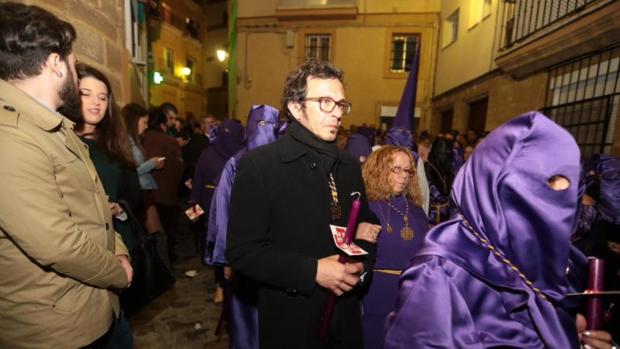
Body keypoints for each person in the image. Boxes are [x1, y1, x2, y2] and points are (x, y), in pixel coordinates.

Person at [384, 112, 614, 348]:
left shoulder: (549, 263)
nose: (551, 208)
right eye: (542, 187)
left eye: (564, 193)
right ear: (496, 183)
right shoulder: (439, 272)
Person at [0, 3, 131, 348]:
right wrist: (117, 271)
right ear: (56, 64)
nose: (77, 70)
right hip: (55, 329)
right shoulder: (10, 135)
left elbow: (92, 204)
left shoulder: (52, 126)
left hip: (91, 307)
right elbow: (55, 243)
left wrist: (119, 250)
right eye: (73, 61)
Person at [226, 60, 381, 348]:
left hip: (346, 318)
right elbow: (242, 252)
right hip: (292, 322)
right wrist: (313, 271)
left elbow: (367, 221)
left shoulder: (347, 165)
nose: (337, 113)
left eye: (341, 104)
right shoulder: (260, 166)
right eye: (325, 102)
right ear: (296, 108)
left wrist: (361, 265)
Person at [207, 104, 281, 349]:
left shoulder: (284, 162)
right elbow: (222, 212)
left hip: (278, 257)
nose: (264, 131)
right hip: (245, 256)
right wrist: (226, 259)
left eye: (270, 124)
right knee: (246, 323)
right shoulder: (235, 164)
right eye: (259, 124)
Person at [360, 145, 429, 349]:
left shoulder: (416, 210)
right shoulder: (366, 207)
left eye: (407, 170)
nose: (403, 176)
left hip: (412, 295)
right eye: (395, 169)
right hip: (377, 294)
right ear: (379, 169)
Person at [142, 107, 184, 262]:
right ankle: (167, 262)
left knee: (150, 232)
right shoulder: (170, 141)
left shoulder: (141, 139)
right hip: (167, 193)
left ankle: (153, 262)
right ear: (162, 124)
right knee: (167, 230)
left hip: (147, 194)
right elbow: (179, 169)